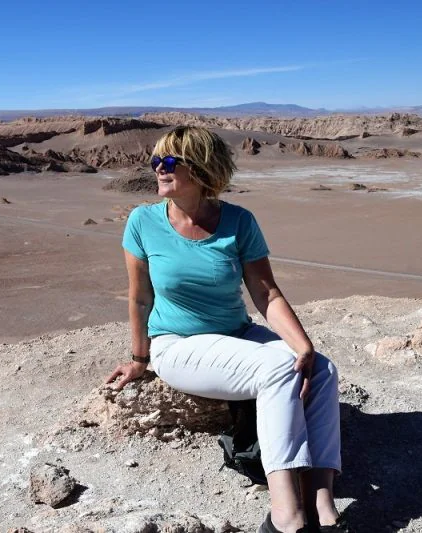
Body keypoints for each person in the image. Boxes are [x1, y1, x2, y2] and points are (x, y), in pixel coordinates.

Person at [105, 126, 345, 533]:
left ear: (199, 169)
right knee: (277, 370)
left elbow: (265, 291)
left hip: (237, 335)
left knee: (321, 369)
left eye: (167, 162)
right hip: (178, 344)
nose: (157, 170)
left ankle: (322, 504)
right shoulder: (142, 221)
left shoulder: (238, 221)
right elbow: (140, 297)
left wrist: (302, 345)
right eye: (155, 161)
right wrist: (139, 359)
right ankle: (286, 515)